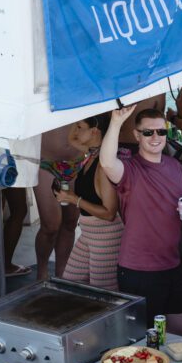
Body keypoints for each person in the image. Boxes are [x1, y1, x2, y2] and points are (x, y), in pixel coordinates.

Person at [100, 105, 182, 333]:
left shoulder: (175, 167)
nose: (156, 137)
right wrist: (115, 123)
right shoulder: (130, 170)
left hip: (171, 264)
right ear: (137, 135)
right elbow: (106, 162)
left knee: (181, 326)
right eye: (148, 132)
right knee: (147, 336)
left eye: (161, 132)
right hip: (139, 269)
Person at [54, 115, 123, 291]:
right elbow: (70, 139)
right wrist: (81, 110)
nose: (75, 131)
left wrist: (73, 199)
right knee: (70, 284)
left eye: (79, 127)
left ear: (94, 130)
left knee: (104, 295)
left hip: (106, 237)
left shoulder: (102, 164)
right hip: (89, 233)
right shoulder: (90, 152)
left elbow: (109, 213)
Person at [35, 125, 86, 280]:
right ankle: (41, 272)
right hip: (45, 161)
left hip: (77, 161)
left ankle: (62, 273)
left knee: (70, 222)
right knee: (50, 225)